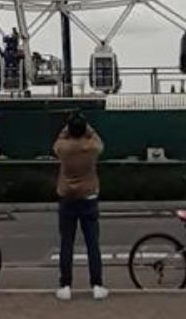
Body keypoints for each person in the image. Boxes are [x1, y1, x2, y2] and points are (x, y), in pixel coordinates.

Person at [53, 111, 107, 301]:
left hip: (67, 197)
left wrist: (67, 129)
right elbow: (100, 142)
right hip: (89, 197)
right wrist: (88, 128)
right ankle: (97, 285)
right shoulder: (91, 147)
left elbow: (57, 142)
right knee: (93, 244)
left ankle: (65, 285)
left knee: (66, 244)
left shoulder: (63, 148)